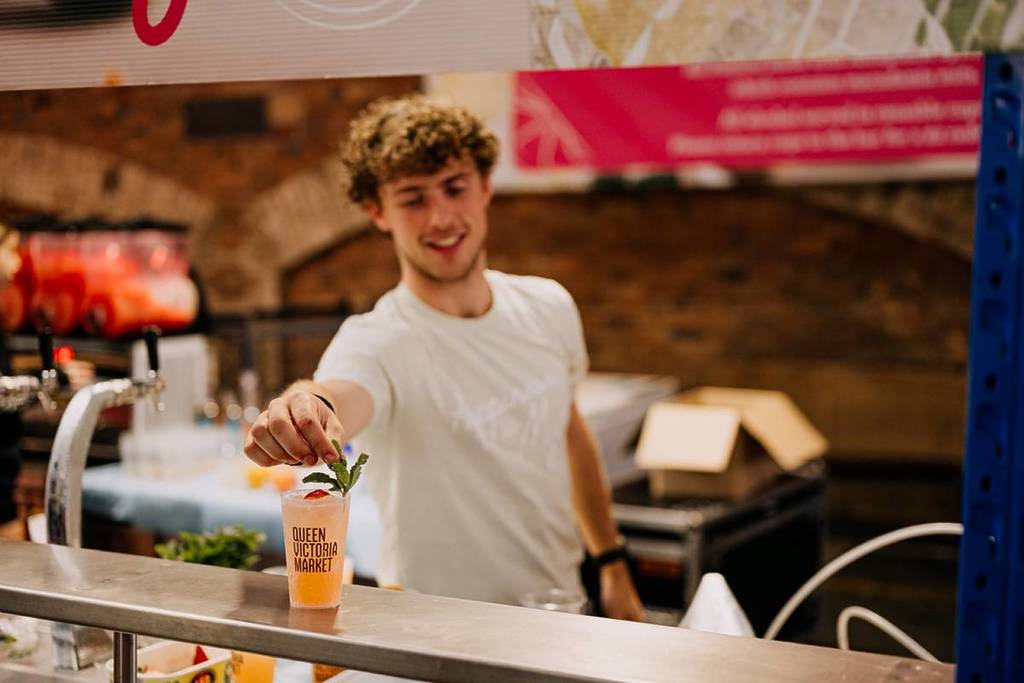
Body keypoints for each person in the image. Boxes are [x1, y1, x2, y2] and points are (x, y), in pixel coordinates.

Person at [244, 96, 645, 620]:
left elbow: (569, 434)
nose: (440, 217)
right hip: (434, 635)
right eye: (412, 198)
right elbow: (336, 395)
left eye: (454, 188)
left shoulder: (548, 307)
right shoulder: (377, 340)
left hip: (558, 614)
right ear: (378, 213)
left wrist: (612, 563)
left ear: (485, 187)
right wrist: (304, 409)